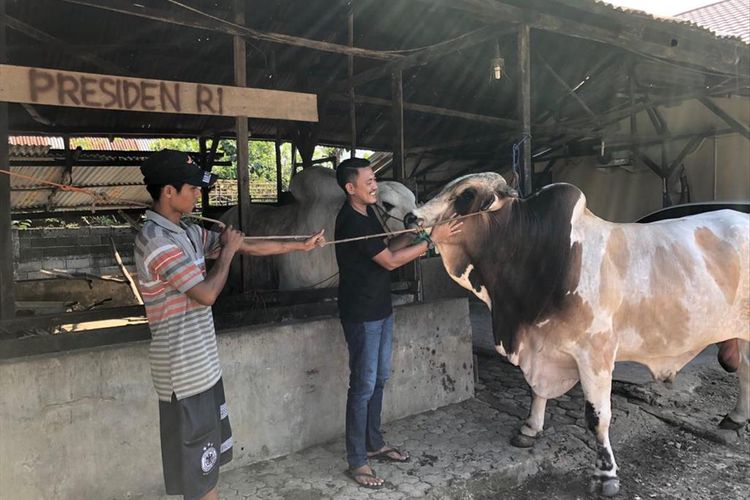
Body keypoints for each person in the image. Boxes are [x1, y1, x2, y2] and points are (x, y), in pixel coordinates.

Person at [134, 149, 325, 500]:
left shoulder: (187, 232)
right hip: (183, 374)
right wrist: (227, 254)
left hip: (203, 367)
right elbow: (206, 294)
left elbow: (245, 246)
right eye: (191, 188)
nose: (197, 194)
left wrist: (300, 244)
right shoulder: (155, 241)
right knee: (199, 473)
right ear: (169, 193)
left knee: (207, 467)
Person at [334, 157, 462, 489]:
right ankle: (357, 460)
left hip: (380, 310)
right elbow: (389, 261)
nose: (374, 185)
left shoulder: (368, 215)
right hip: (361, 314)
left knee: (379, 380)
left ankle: (374, 443)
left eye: (374, 179)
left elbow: (388, 246)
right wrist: (431, 241)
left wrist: (414, 233)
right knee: (362, 386)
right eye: (368, 181)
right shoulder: (351, 221)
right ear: (351, 188)